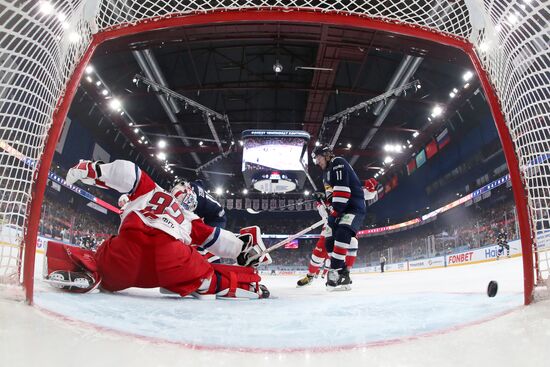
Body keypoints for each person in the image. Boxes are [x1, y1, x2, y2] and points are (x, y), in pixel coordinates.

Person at [44, 159, 271, 299]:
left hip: (127, 252)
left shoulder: (149, 188)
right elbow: (215, 238)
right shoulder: (189, 217)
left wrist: (93, 170)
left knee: (103, 258)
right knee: (203, 272)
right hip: (169, 260)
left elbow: (127, 172)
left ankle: (90, 271)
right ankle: (239, 284)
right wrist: (243, 249)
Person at [296, 179, 377, 287]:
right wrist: (321, 202)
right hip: (330, 225)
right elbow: (322, 212)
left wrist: (372, 188)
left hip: (346, 223)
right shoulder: (326, 195)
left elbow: (367, 195)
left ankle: (345, 274)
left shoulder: (348, 190)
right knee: (317, 255)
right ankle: (310, 276)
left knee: (352, 242)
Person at [309, 144, 368, 291]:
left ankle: (334, 271)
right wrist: (322, 196)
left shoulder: (338, 162)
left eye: (318, 157)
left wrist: (334, 214)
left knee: (343, 232)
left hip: (353, 208)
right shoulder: (326, 173)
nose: (317, 162)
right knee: (329, 238)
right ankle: (344, 274)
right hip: (341, 209)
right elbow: (331, 194)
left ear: (327, 154)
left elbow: (343, 191)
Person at [170, 179, 227, 263]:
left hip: (217, 218)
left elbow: (194, 223)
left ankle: (215, 267)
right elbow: (199, 183)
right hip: (210, 214)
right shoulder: (193, 187)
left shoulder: (198, 200)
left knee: (208, 241)